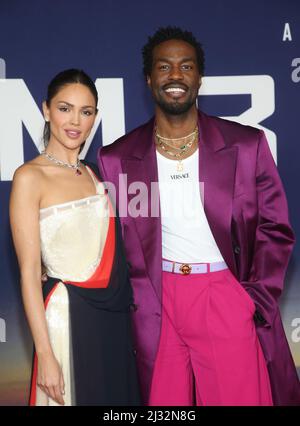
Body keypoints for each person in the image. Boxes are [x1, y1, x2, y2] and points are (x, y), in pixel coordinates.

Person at [98, 27, 300, 406]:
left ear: (199, 77)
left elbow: (276, 229)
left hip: (223, 296)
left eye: (186, 66)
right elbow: (107, 238)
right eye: (164, 67)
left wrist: (253, 299)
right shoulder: (116, 158)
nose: (175, 75)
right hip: (156, 303)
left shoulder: (244, 144)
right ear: (149, 77)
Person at [9, 69, 140, 406]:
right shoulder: (29, 177)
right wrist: (46, 355)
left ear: (95, 117)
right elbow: (28, 274)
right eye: (65, 108)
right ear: (45, 110)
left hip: (110, 319)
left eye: (86, 112)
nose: (75, 121)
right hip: (64, 321)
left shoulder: (95, 173)